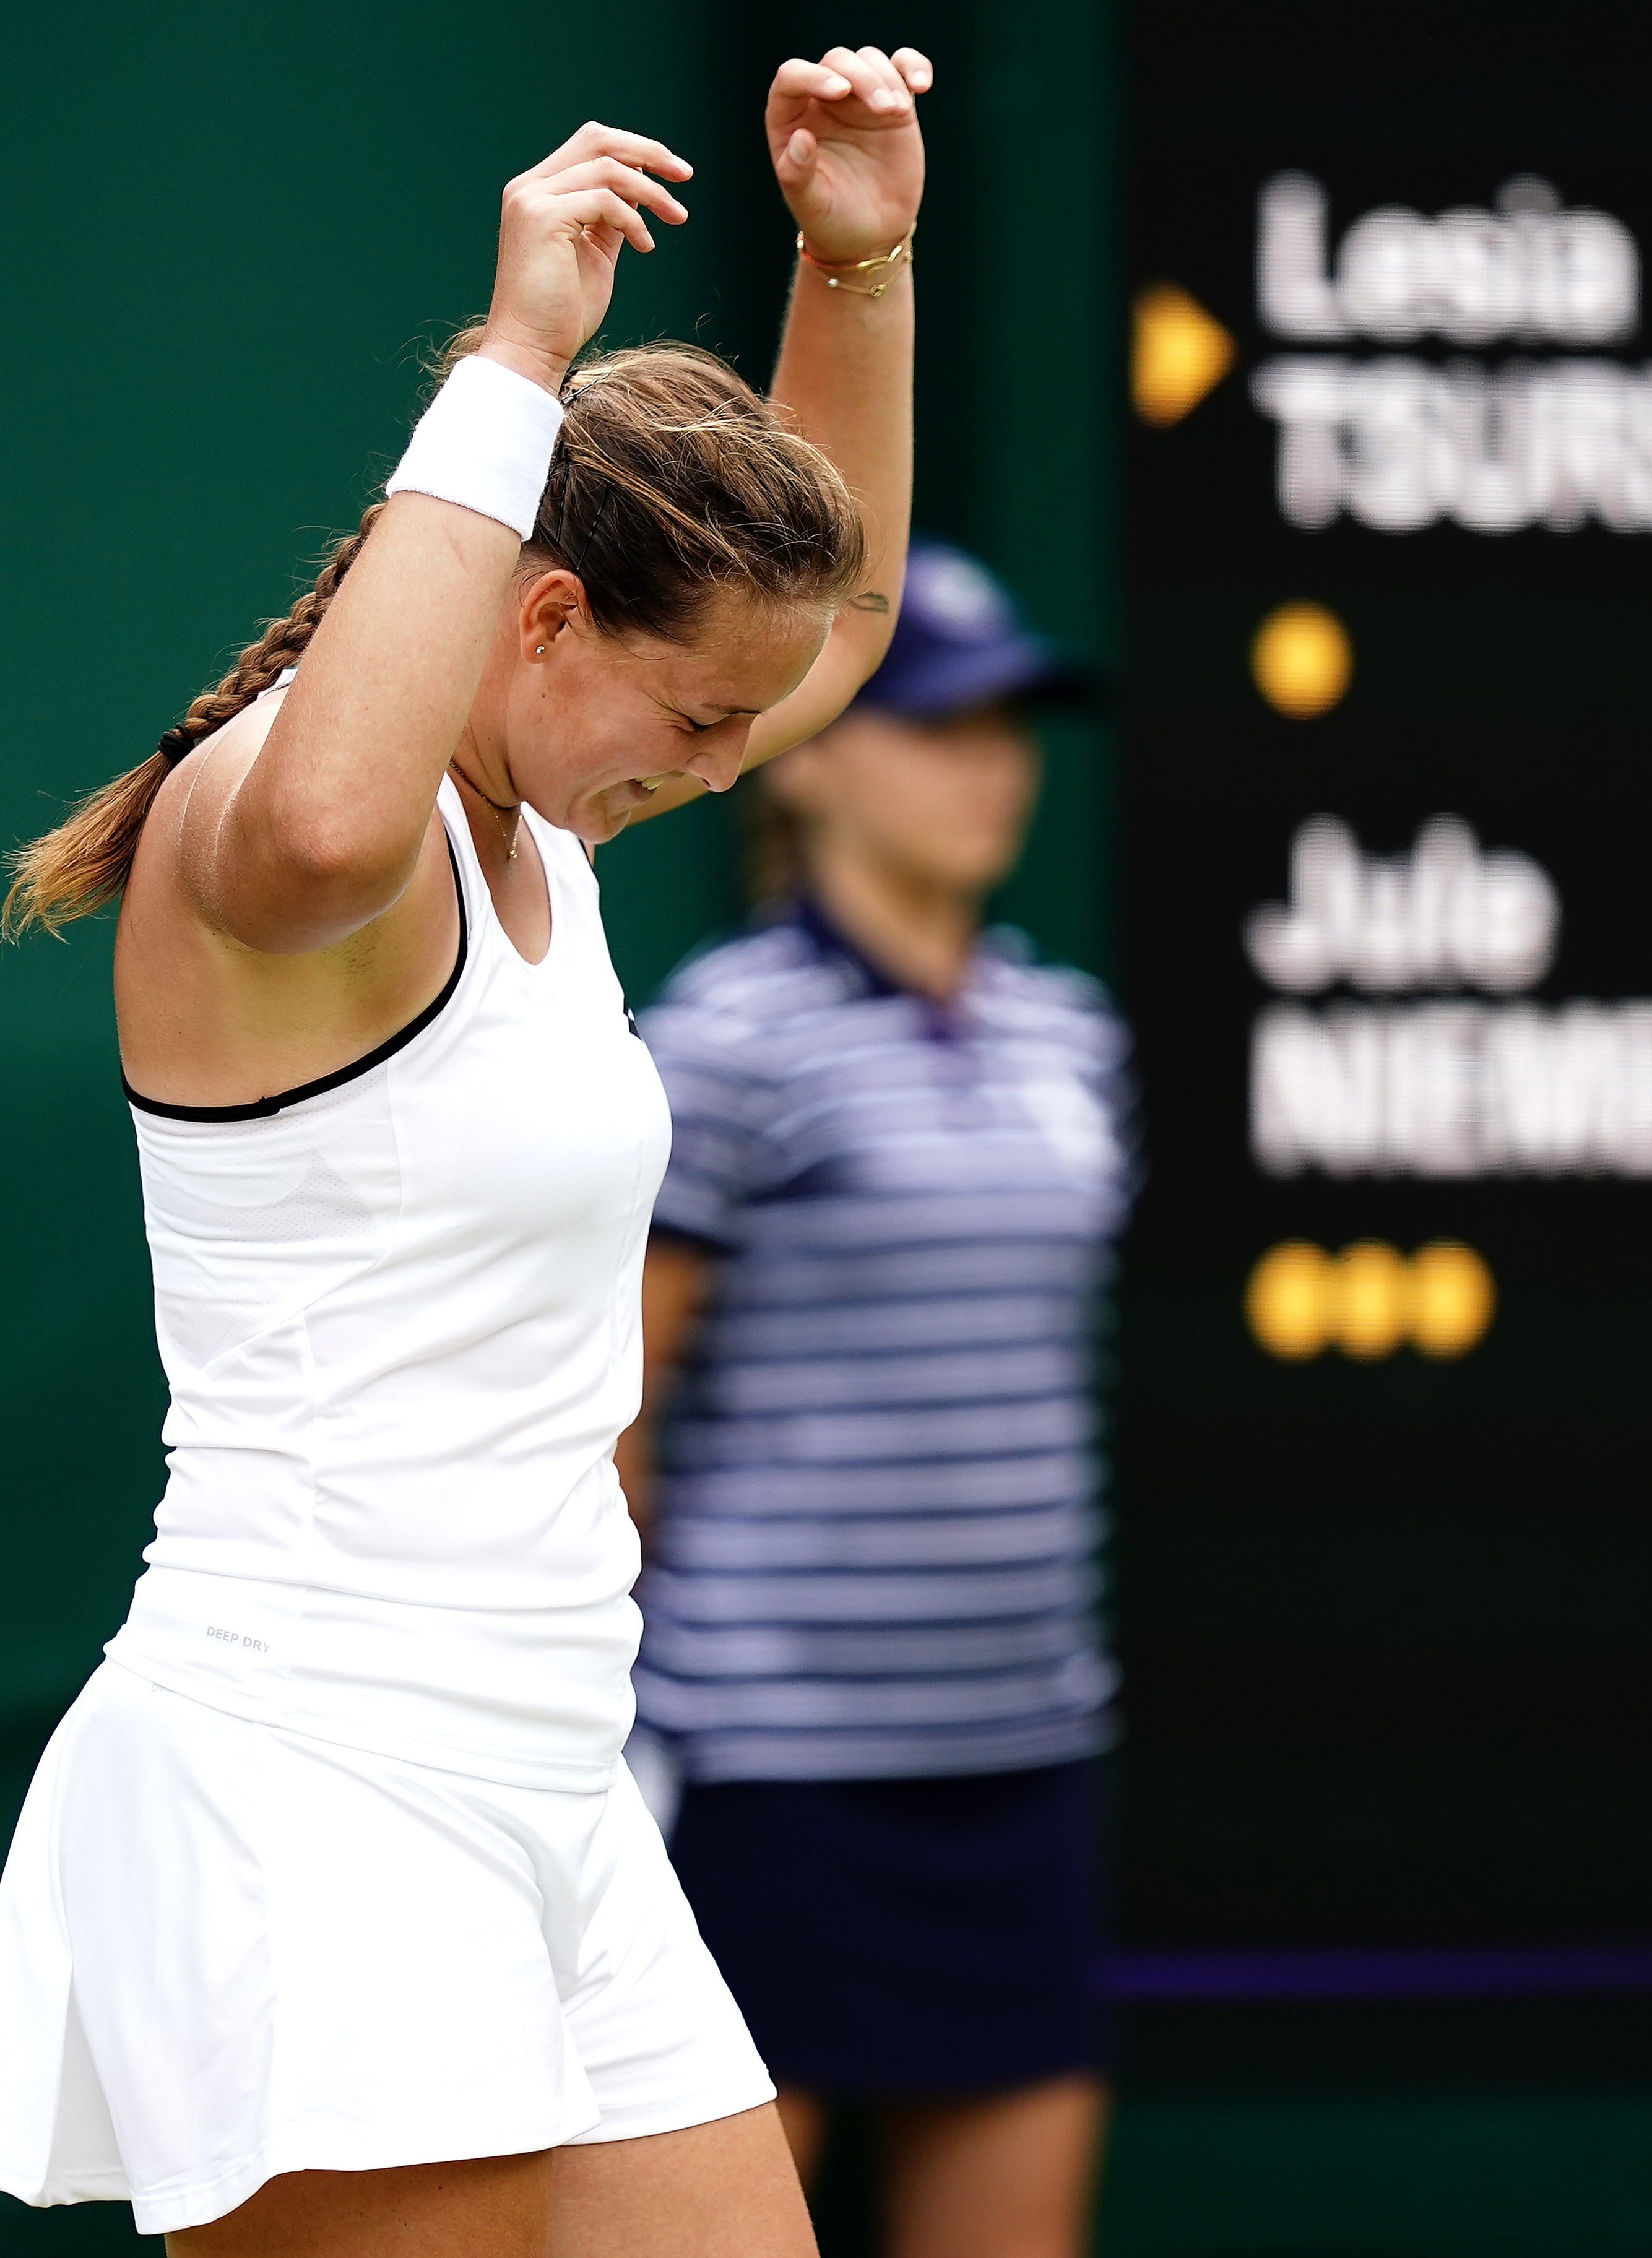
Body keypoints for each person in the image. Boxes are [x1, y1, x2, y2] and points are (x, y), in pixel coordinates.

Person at [0, 46, 932, 2255]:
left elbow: (827, 630)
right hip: (314, 1779)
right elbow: (326, 815)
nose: (721, 767)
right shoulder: (288, 829)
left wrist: (857, 260)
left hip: (553, 1783)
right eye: (690, 723)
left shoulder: (546, 818)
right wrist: (513, 362)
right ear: (547, 613)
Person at [617, 542, 1130, 2258]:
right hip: (775, 1783)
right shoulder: (726, 1041)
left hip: (1022, 1757)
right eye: (935, 723)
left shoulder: (1072, 1038)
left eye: (1009, 725)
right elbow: (610, 1411)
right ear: (817, 747)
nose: (989, 764)